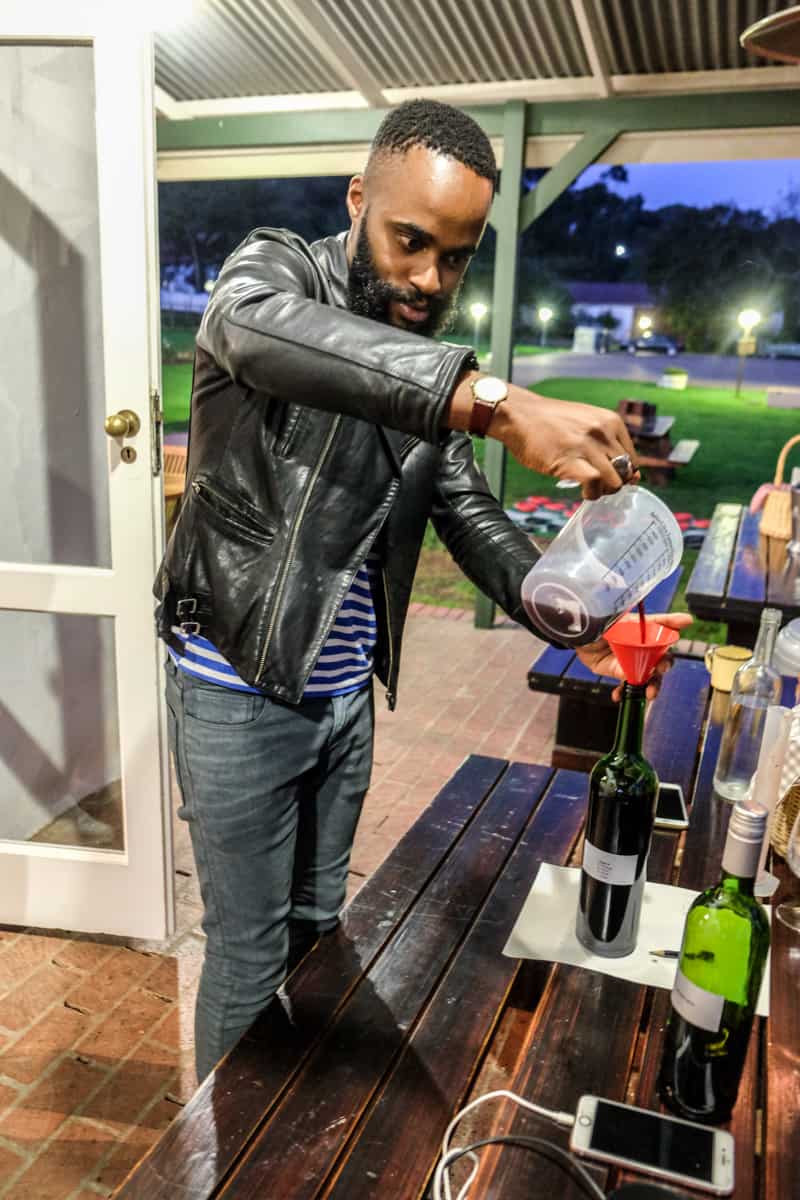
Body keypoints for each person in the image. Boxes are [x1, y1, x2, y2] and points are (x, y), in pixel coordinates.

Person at [155, 99, 690, 1082]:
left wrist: (568, 607)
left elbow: (460, 503)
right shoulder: (274, 271)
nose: (426, 279)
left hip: (341, 697)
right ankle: (224, 1170)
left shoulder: (422, 363)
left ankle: (293, 1137)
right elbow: (254, 331)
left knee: (322, 930)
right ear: (358, 199)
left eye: (454, 257)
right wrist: (489, 399)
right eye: (409, 242)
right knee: (247, 951)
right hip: (236, 692)